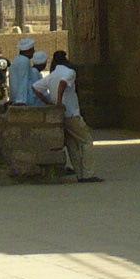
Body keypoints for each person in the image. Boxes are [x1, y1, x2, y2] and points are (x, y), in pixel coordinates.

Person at [33, 48, 100, 182]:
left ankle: (80, 173)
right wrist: (59, 102)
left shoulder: (52, 75)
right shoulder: (69, 72)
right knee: (86, 141)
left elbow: (36, 87)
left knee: (72, 144)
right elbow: (63, 84)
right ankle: (88, 173)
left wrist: (49, 102)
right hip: (71, 113)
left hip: (61, 116)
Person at [7, 37, 38, 106]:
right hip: (22, 100)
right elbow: (23, 81)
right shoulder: (24, 61)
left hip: (15, 97)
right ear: (28, 51)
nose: (34, 52)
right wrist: (21, 100)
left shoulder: (17, 59)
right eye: (32, 50)